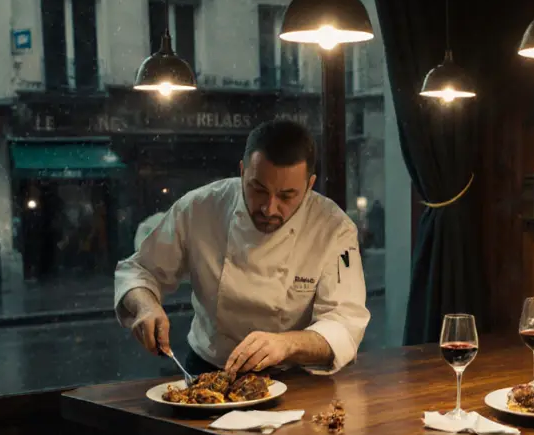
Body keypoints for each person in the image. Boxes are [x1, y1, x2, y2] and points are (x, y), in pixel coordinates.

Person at [115, 119, 370, 375]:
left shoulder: (333, 228)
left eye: (286, 195)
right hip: (209, 368)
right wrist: (145, 306)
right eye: (258, 189)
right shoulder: (200, 208)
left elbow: (345, 323)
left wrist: (288, 344)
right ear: (242, 172)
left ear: (310, 184)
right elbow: (139, 270)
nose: (269, 208)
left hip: (293, 375)